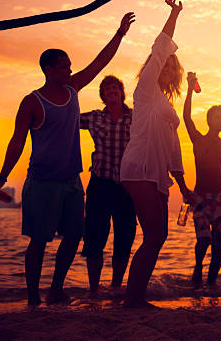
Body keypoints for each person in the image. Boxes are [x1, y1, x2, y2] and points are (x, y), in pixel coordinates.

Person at [0, 12, 135, 306]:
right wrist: (2, 177)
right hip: (41, 183)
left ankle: (55, 289)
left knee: (74, 236)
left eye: (69, 65)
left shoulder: (73, 88)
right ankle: (32, 297)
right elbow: (16, 142)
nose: (70, 69)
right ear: (49, 69)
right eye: (65, 65)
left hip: (72, 181)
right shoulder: (32, 101)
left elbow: (99, 62)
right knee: (39, 241)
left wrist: (119, 34)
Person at [119, 0, 193, 308]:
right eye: (165, 64)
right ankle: (133, 298)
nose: (168, 68)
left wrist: (184, 185)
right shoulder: (146, 91)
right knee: (153, 235)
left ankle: (135, 296)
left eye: (173, 67)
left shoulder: (164, 102)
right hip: (138, 168)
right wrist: (174, 14)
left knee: (158, 236)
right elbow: (160, 48)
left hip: (158, 173)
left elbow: (173, 149)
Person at [183, 72, 221, 288]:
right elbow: (187, 118)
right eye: (217, 117)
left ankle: (211, 284)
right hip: (200, 198)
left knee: (218, 246)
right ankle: (198, 268)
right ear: (209, 119)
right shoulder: (198, 141)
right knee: (203, 240)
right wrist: (190, 89)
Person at [79, 75, 135, 298]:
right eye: (106, 88)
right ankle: (93, 290)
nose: (111, 90)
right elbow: (64, 120)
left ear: (122, 92)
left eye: (115, 87)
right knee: (94, 238)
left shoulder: (136, 118)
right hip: (100, 184)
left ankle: (115, 287)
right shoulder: (93, 118)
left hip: (127, 187)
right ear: (102, 95)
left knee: (125, 237)